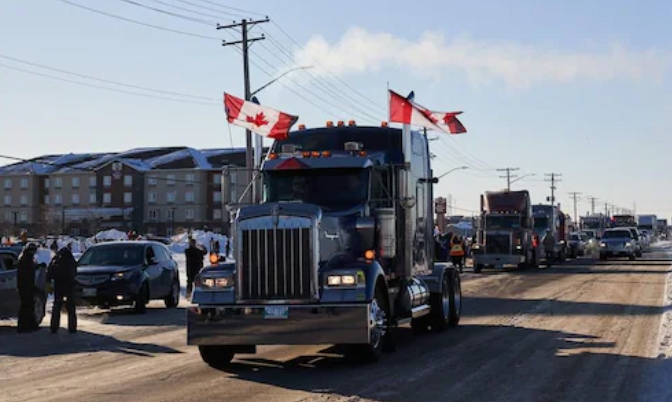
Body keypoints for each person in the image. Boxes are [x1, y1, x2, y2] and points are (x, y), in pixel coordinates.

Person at [48, 243, 78, 334]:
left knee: (57, 306)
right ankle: (72, 327)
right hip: (69, 284)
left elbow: (50, 271)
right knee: (71, 307)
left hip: (59, 284)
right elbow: (75, 271)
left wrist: (49, 281)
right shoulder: (71, 259)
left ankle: (54, 327)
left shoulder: (56, 259)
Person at [17, 242, 40, 333]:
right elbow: (27, 273)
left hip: (26, 285)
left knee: (29, 305)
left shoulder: (26, 258)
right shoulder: (26, 258)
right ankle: (23, 326)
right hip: (25, 285)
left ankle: (30, 325)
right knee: (26, 306)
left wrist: (38, 266)